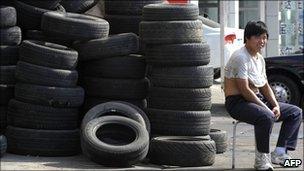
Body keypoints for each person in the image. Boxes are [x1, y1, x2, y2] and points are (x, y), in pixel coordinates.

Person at [224, 21, 302, 170]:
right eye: (258, 37)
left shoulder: (259, 58)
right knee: (265, 116)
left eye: (265, 37)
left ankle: (279, 153)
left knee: (295, 112)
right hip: (237, 103)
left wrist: (276, 105)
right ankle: (261, 160)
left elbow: (265, 86)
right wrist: (266, 108)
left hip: (256, 100)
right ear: (247, 38)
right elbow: (245, 90)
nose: (262, 41)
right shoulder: (240, 57)